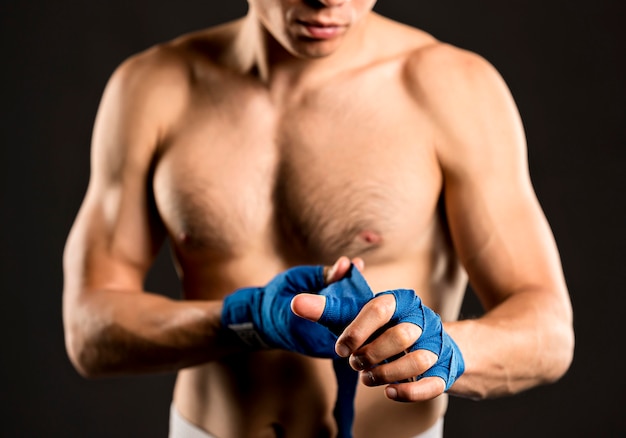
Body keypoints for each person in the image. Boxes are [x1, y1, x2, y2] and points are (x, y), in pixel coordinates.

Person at [62, 0, 575, 437]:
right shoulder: (152, 87)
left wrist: (438, 348)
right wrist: (248, 319)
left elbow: (548, 330)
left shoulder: (452, 89)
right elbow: (90, 331)